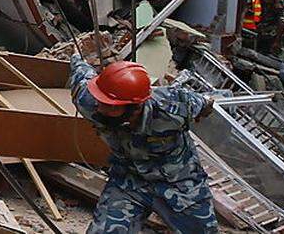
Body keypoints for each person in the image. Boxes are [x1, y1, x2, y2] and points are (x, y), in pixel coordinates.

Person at [69, 54, 217, 233]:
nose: (100, 109)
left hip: (179, 183)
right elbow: (80, 72)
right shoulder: (89, 102)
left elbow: (208, 104)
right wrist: (78, 57)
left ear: (135, 107)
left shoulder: (174, 107)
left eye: (111, 106)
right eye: (101, 102)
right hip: (128, 180)